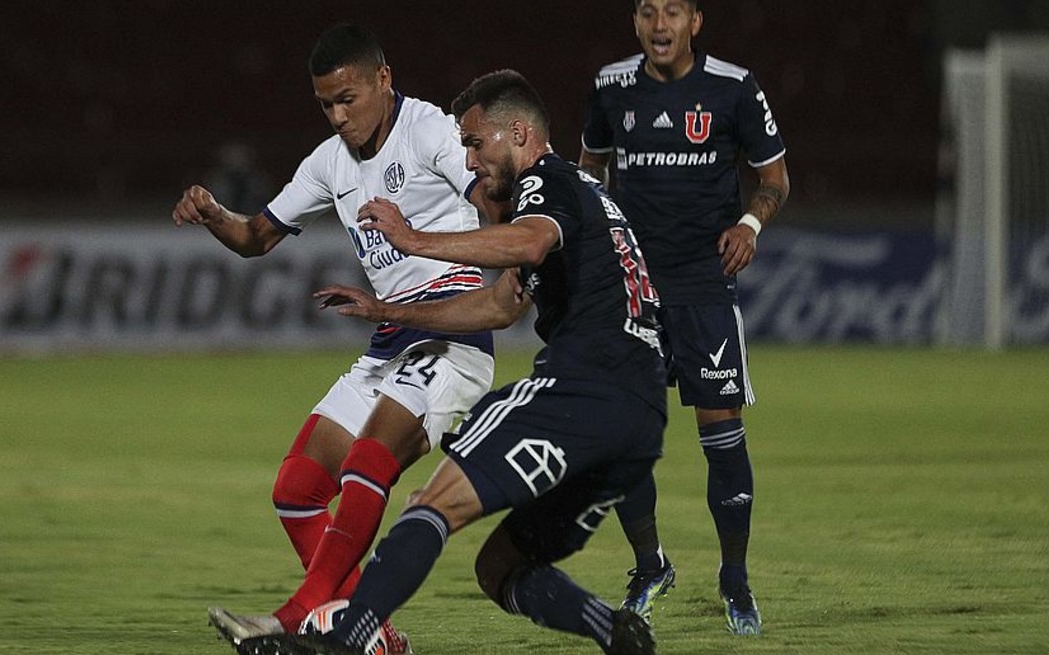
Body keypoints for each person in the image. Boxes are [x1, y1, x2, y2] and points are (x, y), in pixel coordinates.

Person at [235, 69, 669, 655]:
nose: (468, 162)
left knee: (430, 506)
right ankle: (614, 632)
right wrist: (387, 308)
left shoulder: (546, 181)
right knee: (501, 568)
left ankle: (347, 640)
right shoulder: (592, 199)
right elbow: (496, 306)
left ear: (518, 133)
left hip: (582, 389)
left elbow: (528, 242)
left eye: (474, 143)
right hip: (640, 416)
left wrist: (414, 240)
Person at [171, 23, 506, 653]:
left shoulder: (430, 130)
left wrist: (435, 243)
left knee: (367, 462)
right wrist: (218, 216)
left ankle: (303, 617)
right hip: (387, 338)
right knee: (296, 489)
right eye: (326, 104)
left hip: (452, 337)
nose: (338, 115)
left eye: (348, 99)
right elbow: (256, 237)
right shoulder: (328, 162)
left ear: (384, 79)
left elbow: (493, 204)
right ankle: (369, 632)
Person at [579, 0, 790, 636]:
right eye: (648, 11)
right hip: (634, 290)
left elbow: (774, 178)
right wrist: (596, 232)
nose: (660, 24)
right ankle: (651, 565)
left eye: (673, 11)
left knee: (721, 436)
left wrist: (750, 224)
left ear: (695, 20)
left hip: (703, 287)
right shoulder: (611, 86)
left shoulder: (733, 87)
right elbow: (590, 167)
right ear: (636, 20)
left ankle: (735, 578)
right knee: (622, 436)